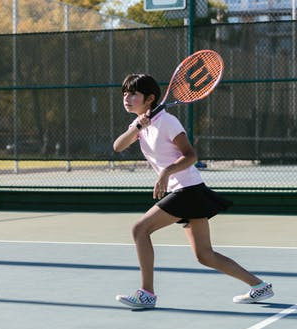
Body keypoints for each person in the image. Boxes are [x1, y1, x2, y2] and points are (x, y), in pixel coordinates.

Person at [113, 74, 273, 309]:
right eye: (125, 93)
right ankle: (259, 286)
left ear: (150, 98)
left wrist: (167, 172)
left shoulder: (167, 122)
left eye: (133, 93)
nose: (127, 97)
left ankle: (147, 294)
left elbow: (191, 156)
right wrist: (138, 126)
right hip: (187, 191)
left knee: (140, 229)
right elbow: (118, 146)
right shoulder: (141, 124)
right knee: (204, 255)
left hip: (187, 189)